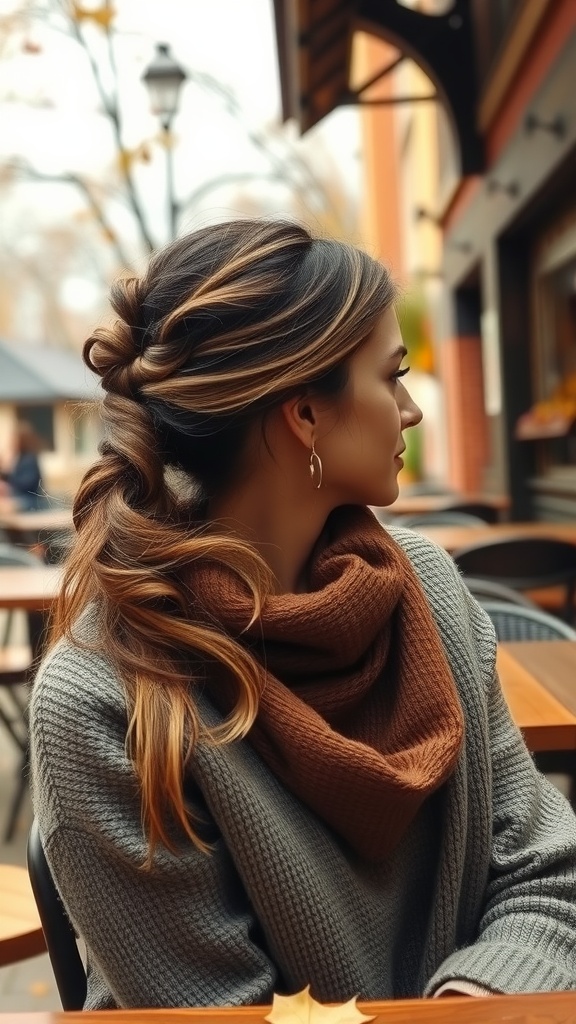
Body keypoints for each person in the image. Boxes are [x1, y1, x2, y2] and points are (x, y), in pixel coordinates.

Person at [30, 219, 576, 1010]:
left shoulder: (425, 584)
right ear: (306, 415)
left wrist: (463, 1002)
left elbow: (550, 875)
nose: (411, 410)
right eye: (392, 378)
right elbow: (222, 1008)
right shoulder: (102, 700)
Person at [0, 420, 43, 510]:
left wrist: (8, 486)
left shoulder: (29, 458)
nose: (11, 442)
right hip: (20, 497)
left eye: (14, 439)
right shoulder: (21, 457)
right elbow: (13, 476)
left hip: (29, 500)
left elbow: (27, 483)